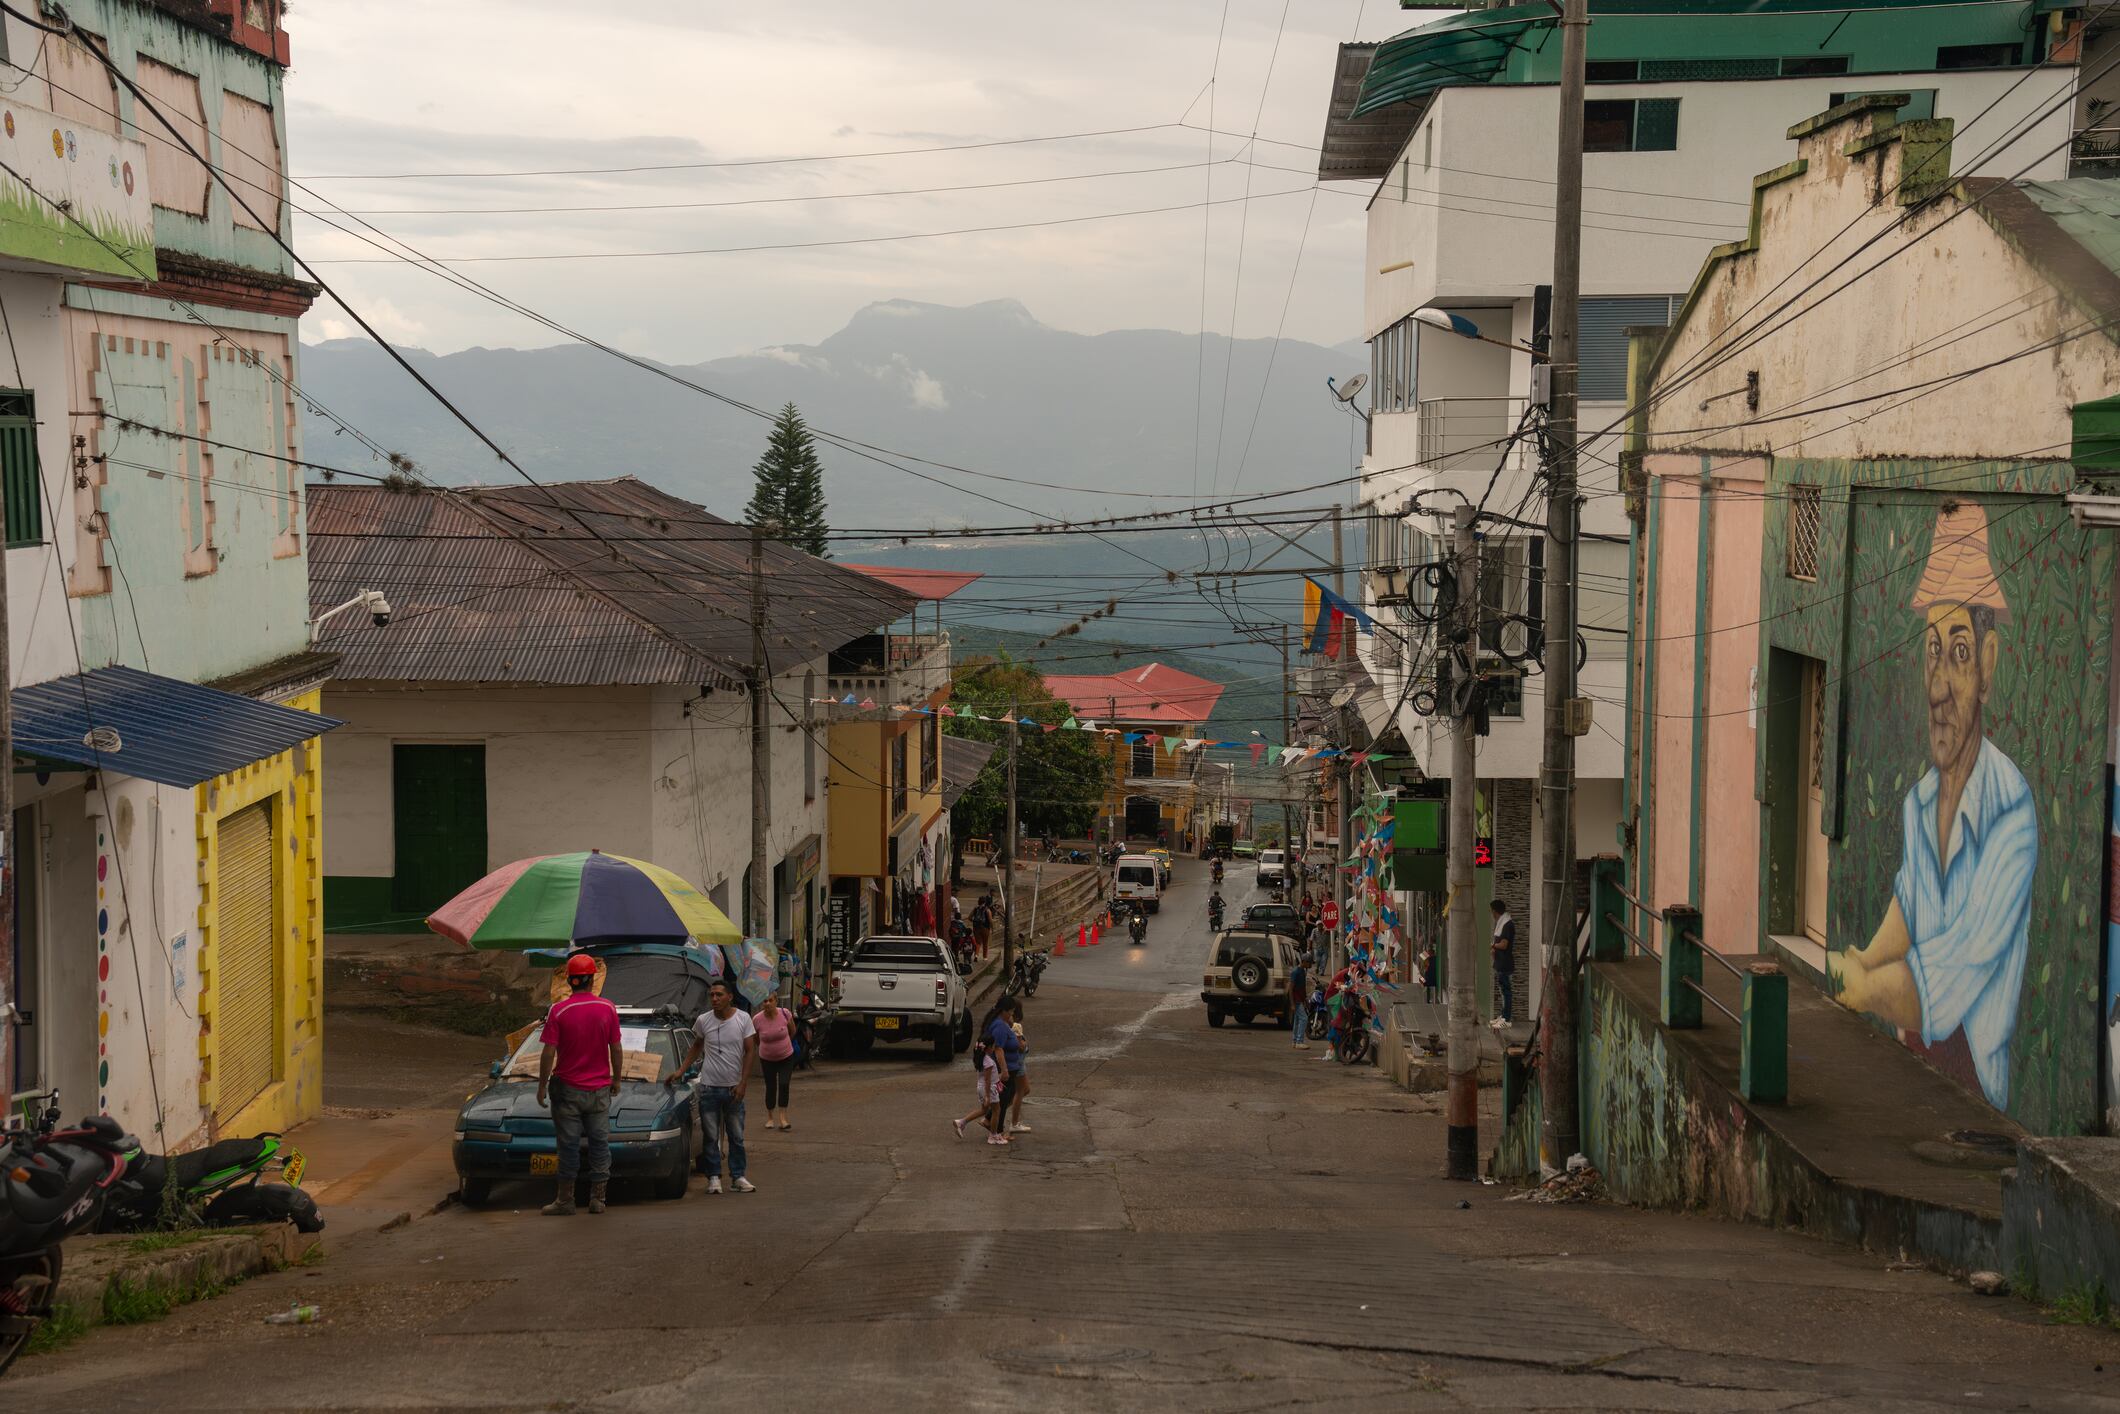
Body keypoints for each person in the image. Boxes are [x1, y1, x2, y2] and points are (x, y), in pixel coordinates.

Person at [1827, 503, 2037, 1108]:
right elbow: (1911, 905)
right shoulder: (1921, 804)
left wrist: (1863, 988)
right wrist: (1864, 959)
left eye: (1961, 653)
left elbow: (1960, 962)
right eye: (1932, 651)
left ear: (1989, 666)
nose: (1939, 683)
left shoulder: (2013, 815)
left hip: (1980, 1105)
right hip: (1914, 1067)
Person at [534, 953, 622, 1217]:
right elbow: (616, 1047)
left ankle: (565, 1201)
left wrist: (541, 1086)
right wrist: (616, 1079)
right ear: (592, 979)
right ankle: (598, 1200)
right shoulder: (607, 1008)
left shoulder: (558, 1010)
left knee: (568, 1145)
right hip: (598, 1091)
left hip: (567, 1090)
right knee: (599, 1143)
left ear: (570, 981)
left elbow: (548, 1052)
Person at [676, 979, 758, 1194]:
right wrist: (680, 1071)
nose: (714, 999)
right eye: (712, 995)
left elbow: (750, 1051)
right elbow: (696, 1047)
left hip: (733, 1089)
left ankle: (738, 1176)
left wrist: (743, 1083)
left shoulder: (743, 1019)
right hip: (709, 1088)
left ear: (730, 996)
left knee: (736, 1136)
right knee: (710, 1137)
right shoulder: (704, 1020)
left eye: (719, 995)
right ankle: (713, 1178)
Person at [753, 990, 796, 1132]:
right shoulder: (757, 1019)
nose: (768, 1003)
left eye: (771, 1000)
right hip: (767, 1059)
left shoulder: (785, 1013)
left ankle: (783, 1118)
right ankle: (770, 1117)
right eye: (765, 1001)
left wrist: (783, 1045)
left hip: (786, 1056)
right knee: (770, 1086)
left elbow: (792, 1031)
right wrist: (767, 1048)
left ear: (776, 1001)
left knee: (784, 1084)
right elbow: (756, 1039)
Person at [982, 997, 1026, 1136]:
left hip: (1012, 1066)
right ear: (1003, 1011)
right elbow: (998, 1049)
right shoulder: (1000, 1026)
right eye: (1010, 1012)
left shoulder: (1003, 1023)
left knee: (1004, 1099)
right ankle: (997, 1131)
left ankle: (995, 1127)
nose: (1011, 1015)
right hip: (1006, 1068)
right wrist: (1004, 1070)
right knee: (1002, 1100)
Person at [954, 1036, 1007, 1144]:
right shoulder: (988, 1061)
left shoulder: (981, 1058)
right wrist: (988, 1095)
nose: (994, 1048)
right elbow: (988, 1080)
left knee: (984, 1110)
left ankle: (962, 1122)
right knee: (997, 1111)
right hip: (989, 1089)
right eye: (993, 1046)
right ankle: (993, 1135)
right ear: (988, 1047)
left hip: (982, 1087)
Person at [1490, 899, 1516, 1026]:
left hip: (1505, 963)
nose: (1491, 914)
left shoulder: (1507, 925)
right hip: (1500, 963)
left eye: (1492, 911)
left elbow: (1504, 944)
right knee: (1502, 991)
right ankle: (1503, 1016)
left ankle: (1506, 1019)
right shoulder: (1502, 923)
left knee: (1506, 992)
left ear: (1495, 912)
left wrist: (1493, 945)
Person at [1289, 950, 1311, 1051]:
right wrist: (1292, 1003)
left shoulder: (1302, 971)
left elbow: (1303, 987)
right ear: (1304, 961)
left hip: (1300, 999)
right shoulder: (1296, 972)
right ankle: (1299, 1041)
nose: (1310, 964)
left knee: (1297, 1020)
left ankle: (1294, 1041)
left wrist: (1305, 1000)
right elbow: (1291, 989)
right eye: (1309, 962)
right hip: (1296, 1000)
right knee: (1304, 1018)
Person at [972, 896, 993, 960]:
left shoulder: (975, 909)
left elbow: (969, 917)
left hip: (976, 928)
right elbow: (990, 920)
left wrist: (975, 921)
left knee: (978, 942)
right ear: (985, 902)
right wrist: (992, 928)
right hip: (985, 928)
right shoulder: (987, 910)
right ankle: (985, 957)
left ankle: (976, 955)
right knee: (985, 942)